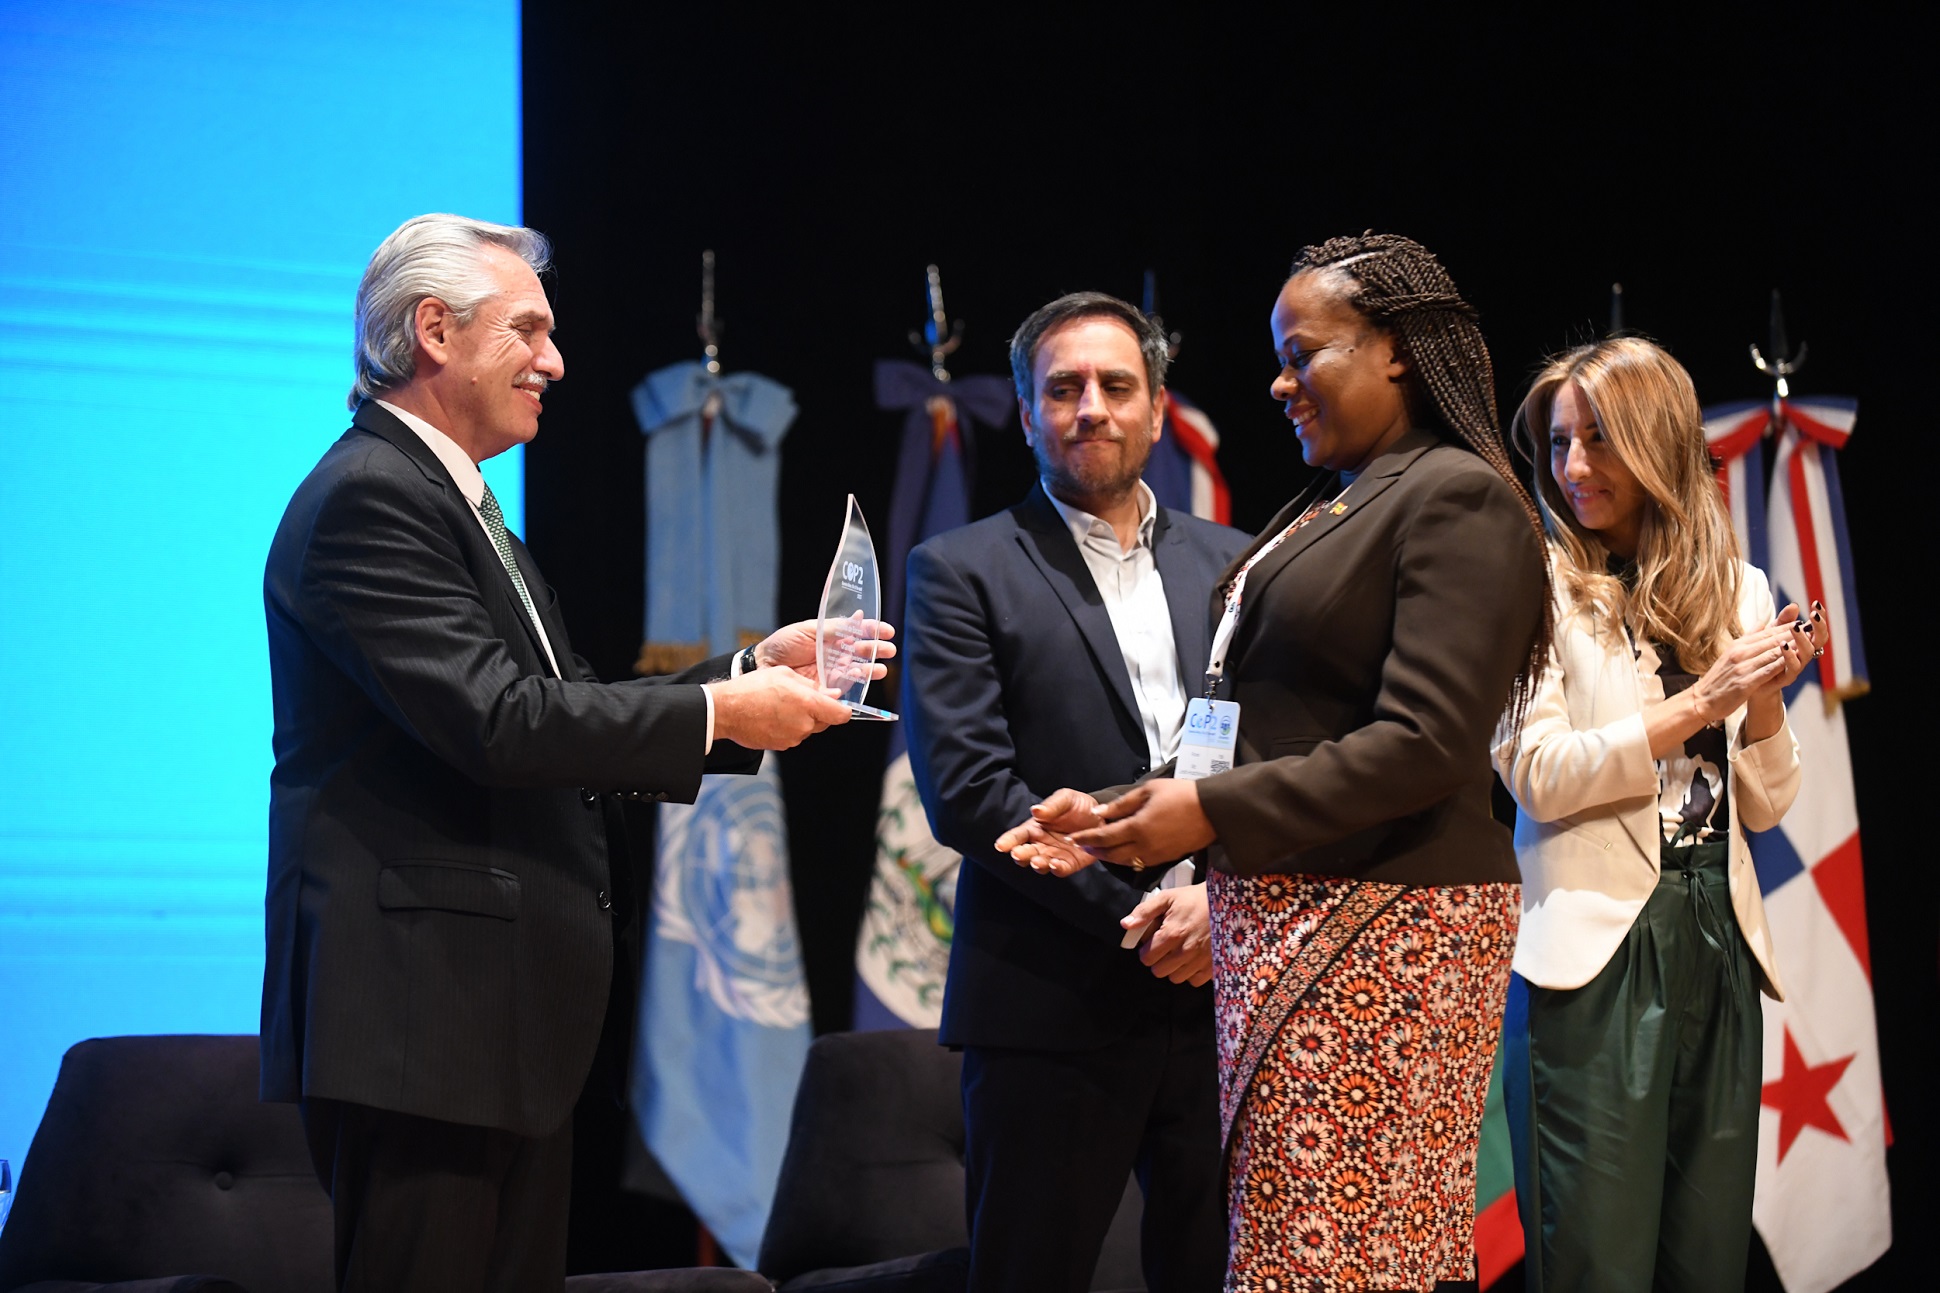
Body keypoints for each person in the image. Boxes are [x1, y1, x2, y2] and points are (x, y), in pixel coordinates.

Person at [260, 213, 887, 1293]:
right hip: (427, 1031)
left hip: (487, 1032)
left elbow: (563, 705)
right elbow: (499, 723)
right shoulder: (373, 497)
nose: (555, 362)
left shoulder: (455, 503)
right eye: (529, 330)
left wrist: (746, 665)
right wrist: (726, 713)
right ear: (434, 333)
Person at [998, 233, 1549, 1292]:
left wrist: (1203, 817)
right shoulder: (1327, 503)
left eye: (1303, 353)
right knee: (1297, 1257)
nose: (1278, 380)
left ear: (1391, 349)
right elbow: (1249, 726)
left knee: (1347, 1258)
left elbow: (1426, 744)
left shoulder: (1454, 496)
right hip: (1287, 924)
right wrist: (1117, 811)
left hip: (1387, 931)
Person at [904, 291, 1249, 1292]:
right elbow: (970, 791)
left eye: (1114, 386)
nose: (1089, 407)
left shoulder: (1236, 569)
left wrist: (1211, 907)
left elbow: (1260, 761)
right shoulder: (958, 569)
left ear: (1154, 406)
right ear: (1025, 413)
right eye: (1062, 389)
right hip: (1049, 1005)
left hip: (1220, 993)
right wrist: (1150, 917)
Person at [1493, 336, 1810, 1291]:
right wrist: (1703, 702)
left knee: (1706, 1259)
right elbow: (1536, 773)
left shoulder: (1741, 588)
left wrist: (1761, 697)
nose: (1574, 466)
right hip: (1596, 957)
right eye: (1558, 442)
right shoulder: (1529, 584)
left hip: (1718, 934)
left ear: (1661, 445)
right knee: (1596, 1261)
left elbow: (1771, 801)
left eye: (1601, 439)